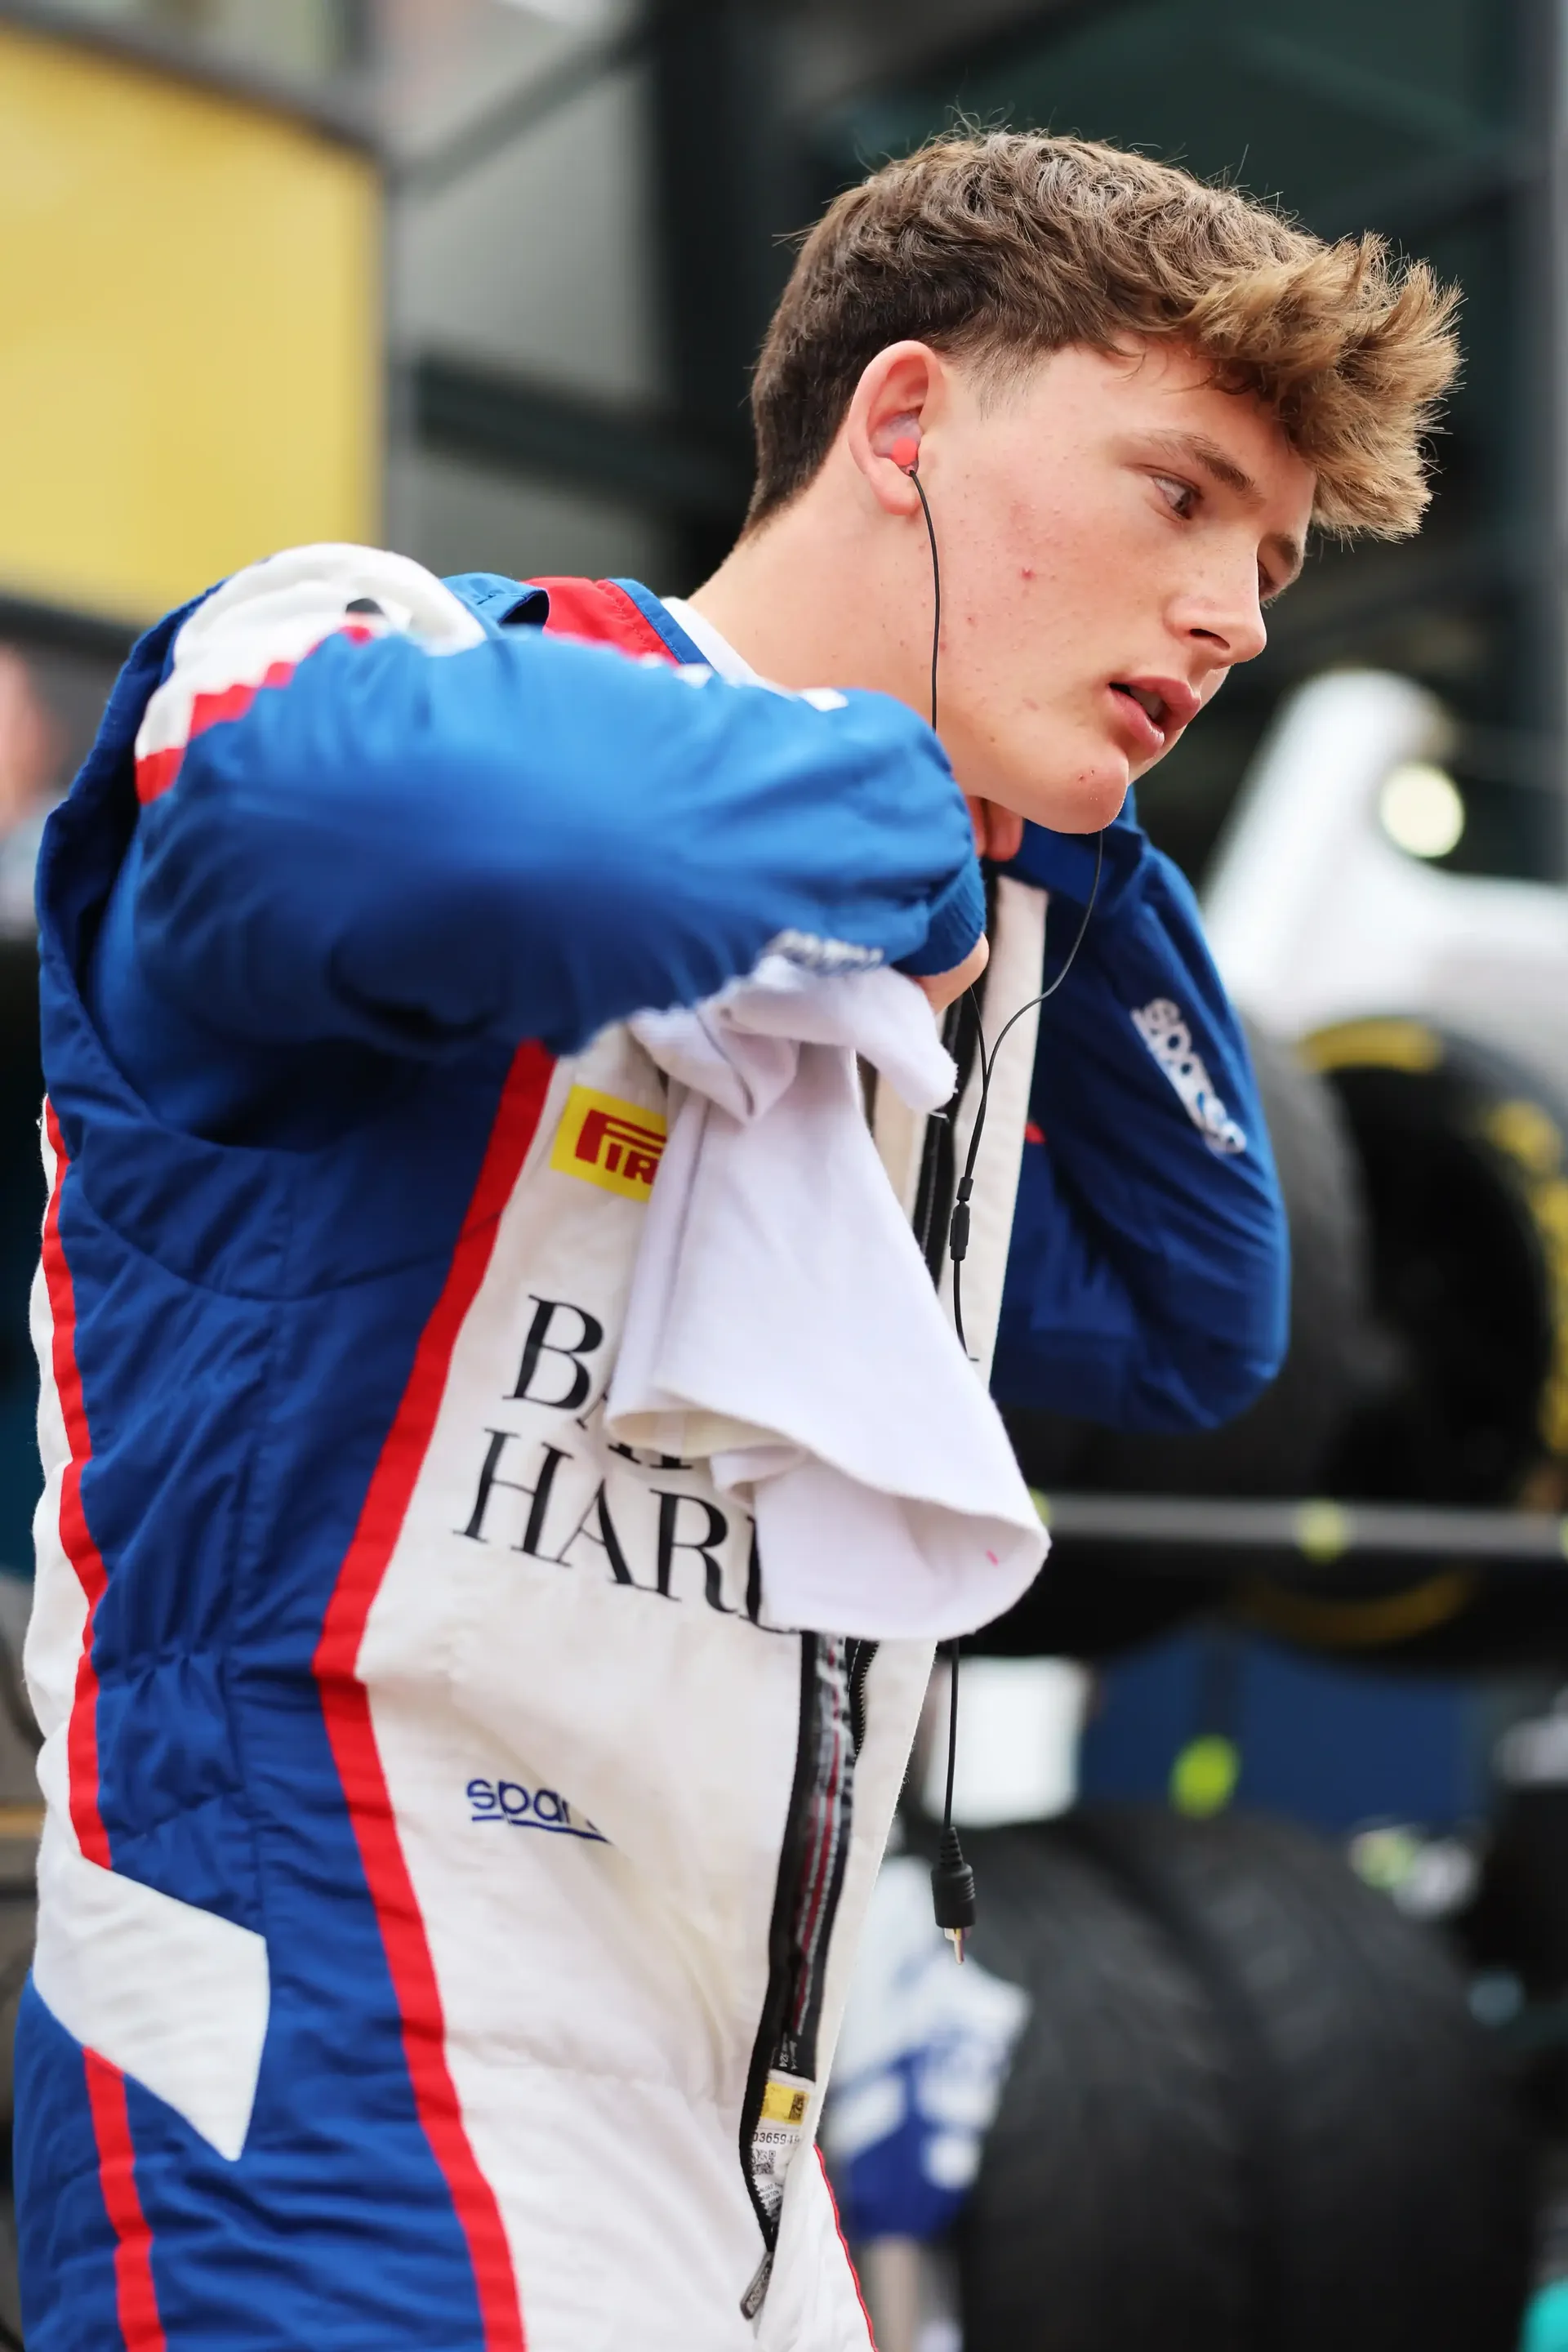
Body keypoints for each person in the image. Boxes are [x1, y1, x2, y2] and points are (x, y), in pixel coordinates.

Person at [17, 133, 1456, 2350]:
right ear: (902, 429)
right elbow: (476, 839)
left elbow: (1203, 1316)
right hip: (320, 2076)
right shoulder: (378, 645)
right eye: (1179, 497)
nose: (1237, 615)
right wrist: (903, 802)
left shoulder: (964, 969)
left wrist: (1071, 860)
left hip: (735, 2151)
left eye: (1269, 561)